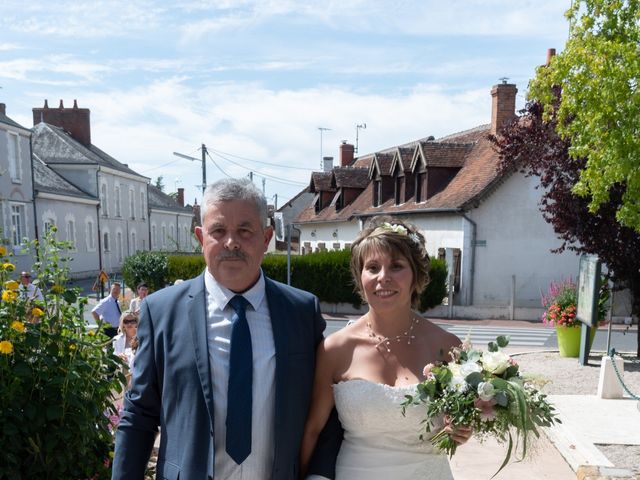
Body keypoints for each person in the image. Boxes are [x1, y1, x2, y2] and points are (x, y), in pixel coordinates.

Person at [112, 178, 340, 480]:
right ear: (200, 237)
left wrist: (319, 476)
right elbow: (139, 414)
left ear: (267, 236)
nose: (232, 242)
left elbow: (325, 409)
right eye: (218, 231)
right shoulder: (161, 311)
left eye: (245, 231)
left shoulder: (301, 312)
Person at [300, 217, 472, 480]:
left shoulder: (448, 347)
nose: (383, 277)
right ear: (360, 277)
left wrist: (460, 429)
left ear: (416, 276)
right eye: (372, 267)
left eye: (396, 266)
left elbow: (457, 420)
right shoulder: (335, 349)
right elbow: (312, 430)